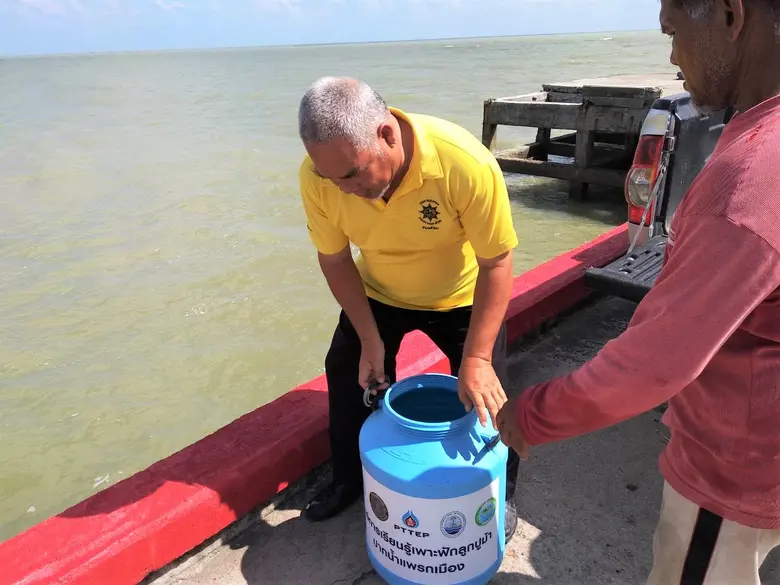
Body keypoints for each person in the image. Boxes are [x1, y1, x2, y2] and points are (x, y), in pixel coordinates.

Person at [496, 0, 780, 582]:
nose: (672, 59)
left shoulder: (750, 176)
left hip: (735, 469)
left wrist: (531, 414)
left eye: (673, 33)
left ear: (730, 17)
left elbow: (652, 367)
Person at [295, 75, 521, 542]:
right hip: (380, 292)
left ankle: (502, 494)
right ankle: (348, 481)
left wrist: (477, 359)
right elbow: (335, 260)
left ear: (387, 134)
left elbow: (496, 261)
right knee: (345, 367)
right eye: (329, 177)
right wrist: (370, 340)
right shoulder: (321, 177)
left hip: (460, 296)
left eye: (353, 173)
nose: (342, 187)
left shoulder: (464, 163)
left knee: (489, 392)